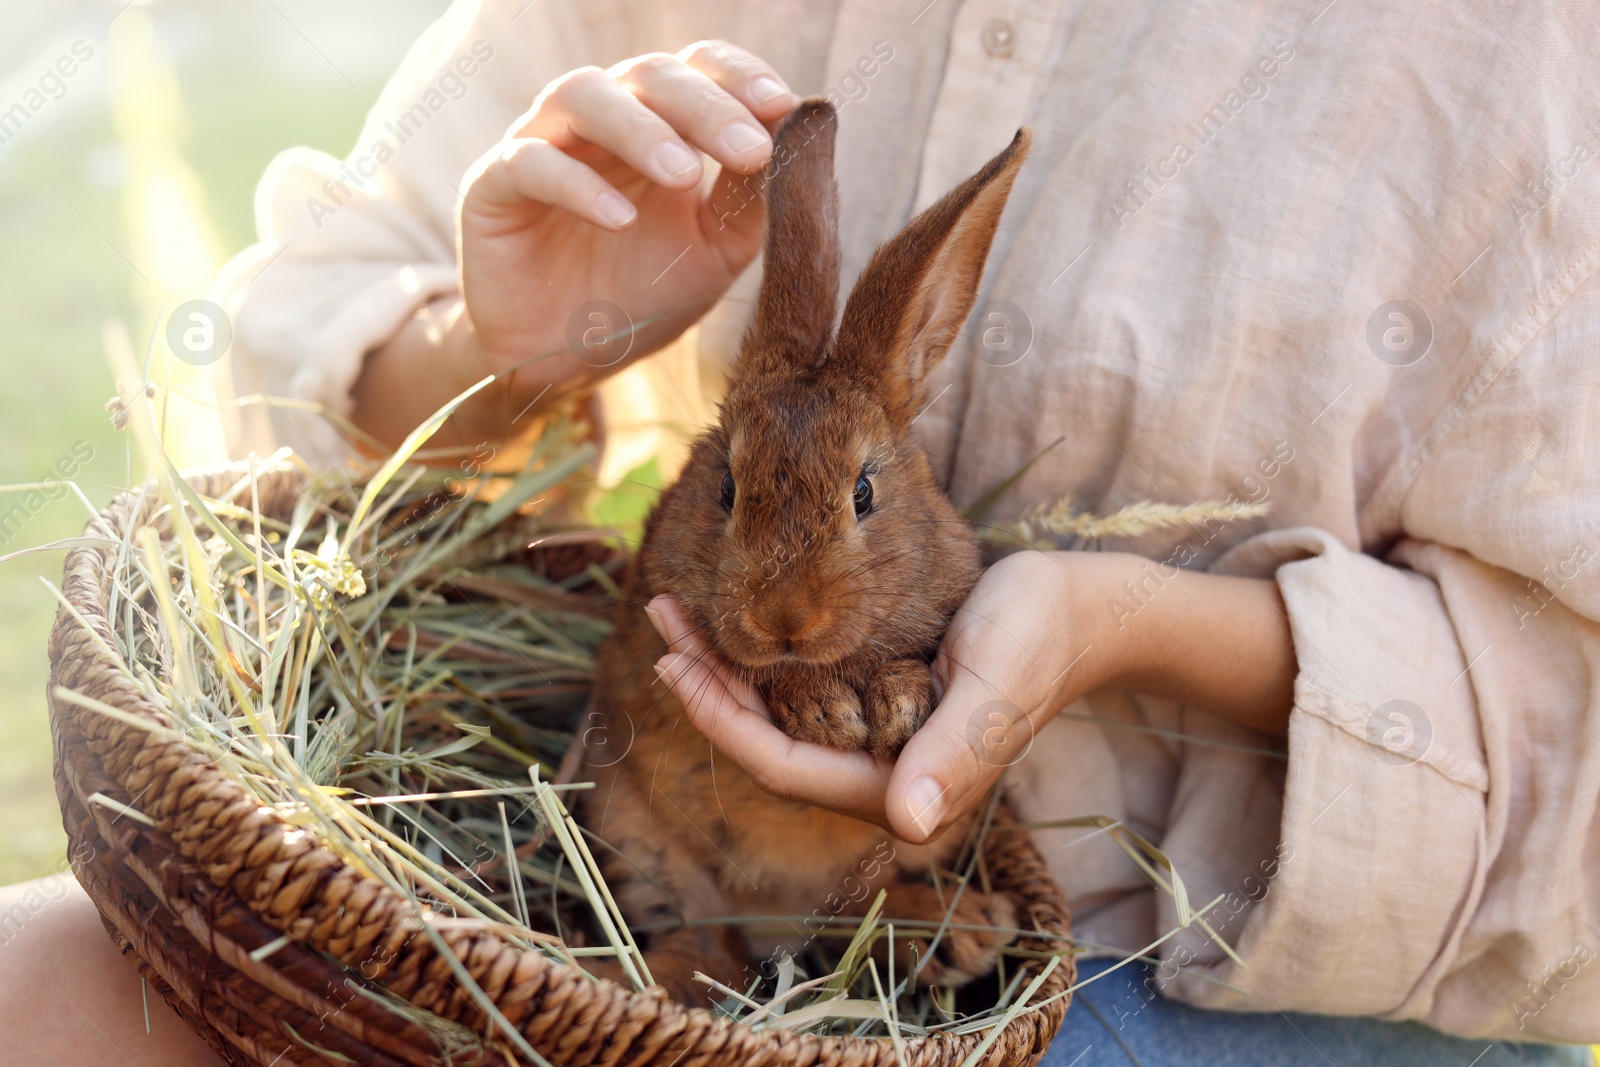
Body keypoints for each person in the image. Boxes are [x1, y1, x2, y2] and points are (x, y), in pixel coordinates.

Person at [5, 1, 1597, 1063]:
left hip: (1182, 975)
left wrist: (1127, 634)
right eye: (730, 509)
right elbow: (284, 390)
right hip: (640, 898)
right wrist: (506, 349)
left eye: (845, 512)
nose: (776, 605)